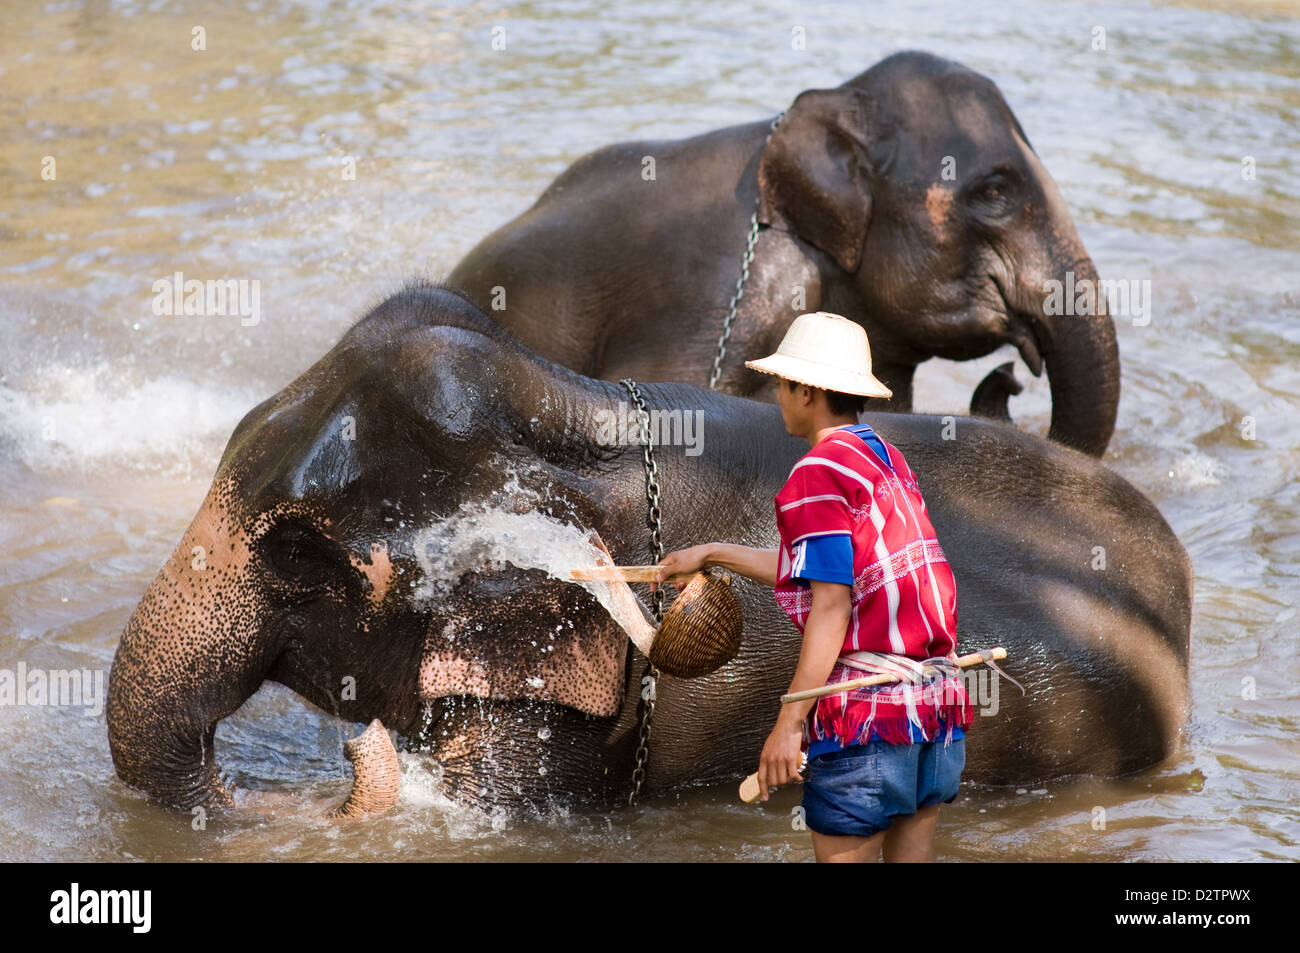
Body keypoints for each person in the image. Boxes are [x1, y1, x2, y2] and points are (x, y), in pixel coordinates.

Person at [655, 311, 972, 863]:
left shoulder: (816, 473)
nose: (777, 395)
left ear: (808, 391)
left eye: (783, 384)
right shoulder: (880, 455)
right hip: (932, 712)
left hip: (868, 721)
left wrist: (788, 724)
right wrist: (713, 553)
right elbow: (827, 569)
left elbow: (832, 604)